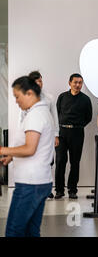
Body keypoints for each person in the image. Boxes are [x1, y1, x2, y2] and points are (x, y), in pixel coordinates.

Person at [0, 76, 54, 237]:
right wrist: (11, 155)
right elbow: (35, 146)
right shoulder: (41, 112)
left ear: (29, 93)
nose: (16, 101)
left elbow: (30, 148)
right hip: (40, 181)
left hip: (30, 183)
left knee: (14, 231)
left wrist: (3, 149)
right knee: (31, 231)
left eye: (17, 96)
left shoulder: (35, 115)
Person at [55, 73, 92, 199]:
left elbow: (89, 117)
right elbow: (57, 114)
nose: (77, 85)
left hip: (77, 133)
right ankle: (59, 190)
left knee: (75, 162)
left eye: (80, 82)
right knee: (60, 161)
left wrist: (78, 125)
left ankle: (72, 190)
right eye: (75, 82)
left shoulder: (85, 99)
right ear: (69, 83)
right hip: (62, 132)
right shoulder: (62, 97)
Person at [28, 71, 59, 199]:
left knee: (47, 163)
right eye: (36, 82)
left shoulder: (49, 97)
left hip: (47, 135)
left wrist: (56, 135)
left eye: (40, 81)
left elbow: (54, 117)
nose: (39, 83)